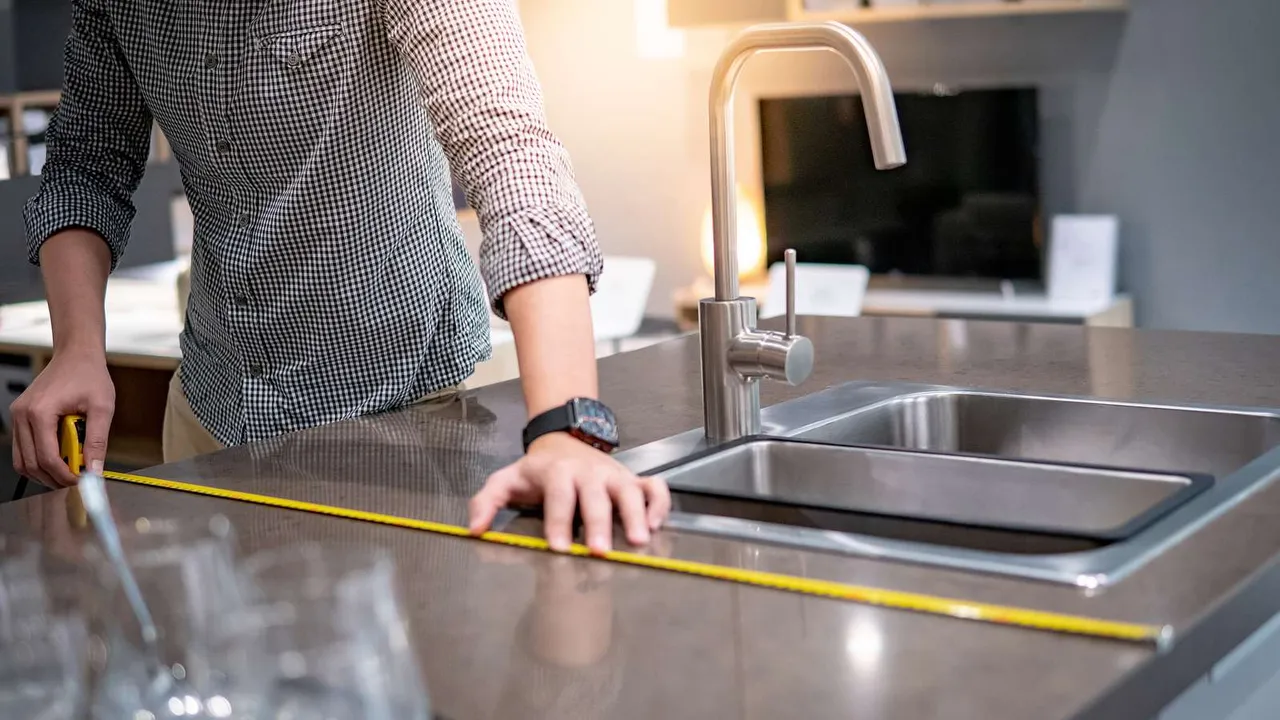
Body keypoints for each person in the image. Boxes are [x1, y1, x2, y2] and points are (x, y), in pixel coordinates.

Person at [9, 0, 669, 553]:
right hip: (211, 413)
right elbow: (85, 168)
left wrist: (568, 429)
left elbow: (509, 150)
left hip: (402, 420)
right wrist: (77, 348)